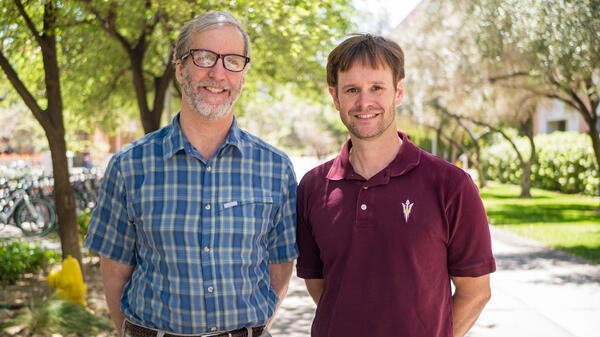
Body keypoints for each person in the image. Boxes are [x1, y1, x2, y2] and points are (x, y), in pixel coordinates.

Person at [84, 11, 298, 337]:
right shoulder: (129, 166)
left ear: (243, 74)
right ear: (180, 67)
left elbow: (280, 269)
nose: (218, 72)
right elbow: (114, 275)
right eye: (204, 57)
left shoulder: (275, 168)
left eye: (233, 60)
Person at [296, 34, 496, 337]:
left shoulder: (451, 185)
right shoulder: (313, 187)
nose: (365, 102)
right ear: (335, 97)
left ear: (398, 92)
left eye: (377, 88)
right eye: (352, 90)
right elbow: (320, 285)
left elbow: (476, 291)